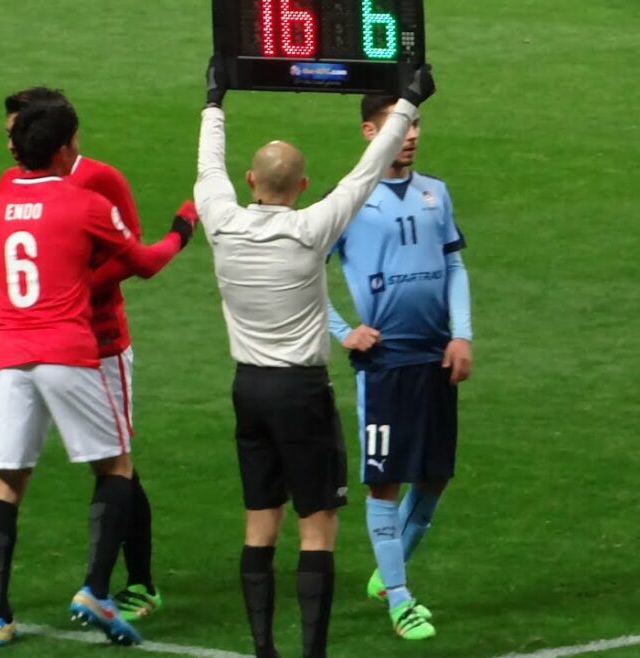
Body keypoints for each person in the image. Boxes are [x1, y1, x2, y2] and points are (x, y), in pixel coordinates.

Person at [193, 58, 434, 658]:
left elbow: (206, 169)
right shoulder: (312, 229)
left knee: (259, 523)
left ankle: (263, 650)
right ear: (301, 188)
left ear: (250, 180)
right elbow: (367, 171)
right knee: (317, 528)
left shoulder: (220, 223)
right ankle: (313, 654)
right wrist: (407, 101)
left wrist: (214, 101)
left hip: (247, 389)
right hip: (302, 393)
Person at [0, 87, 169, 622]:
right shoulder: (10, 186)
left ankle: (139, 581)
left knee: (115, 463)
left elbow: (131, 257)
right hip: (33, 338)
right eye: (10, 135)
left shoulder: (100, 182)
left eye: (17, 134)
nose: (11, 145)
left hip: (95, 341)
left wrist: (72, 285)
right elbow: (0, 272)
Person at [0, 96, 195, 647]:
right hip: (69, 351)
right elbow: (144, 261)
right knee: (115, 466)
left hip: (9, 358)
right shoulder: (81, 200)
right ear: (66, 148)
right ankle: (96, 587)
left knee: (5, 479)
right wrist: (183, 228)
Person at [325, 94, 473, 641]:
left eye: (414, 125)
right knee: (386, 482)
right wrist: (344, 331)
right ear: (370, 132)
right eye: (398, 126)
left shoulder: (436, 192)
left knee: (434, 476)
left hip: (435, 355)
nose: (410, 135)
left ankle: (389, 577)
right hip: (383, 362)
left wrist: (462, 333)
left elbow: (454, 264)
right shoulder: (347, 200)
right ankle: (400, 599)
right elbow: (301, 274)